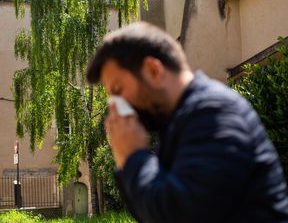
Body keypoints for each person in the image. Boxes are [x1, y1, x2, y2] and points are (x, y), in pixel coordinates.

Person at [86, 22, 288, 223]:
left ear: (153, 70)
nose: (116, 107)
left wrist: (133, 157)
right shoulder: (182, 121)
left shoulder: (213, 112)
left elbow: (183, 214)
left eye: (118, 90)